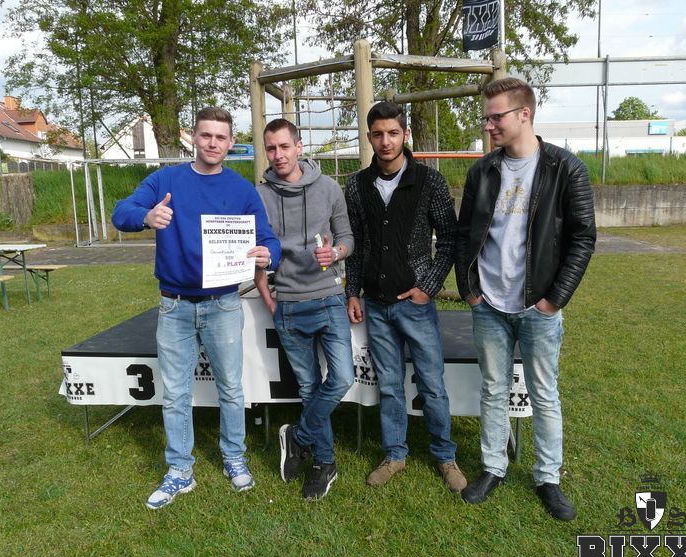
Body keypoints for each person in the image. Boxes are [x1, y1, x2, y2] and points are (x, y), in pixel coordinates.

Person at [112, 106, 281, 509]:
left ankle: (234, 457)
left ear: (230, 142)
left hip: (223, 304)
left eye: (221, 137)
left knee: (231, 388)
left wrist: (266, 254)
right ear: (194, 137)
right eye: (206, 135)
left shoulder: (242, 190)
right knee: (175, 393)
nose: (213, 143)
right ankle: (179, 470)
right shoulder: (165, 181)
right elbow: (121, 212)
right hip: (175, 306)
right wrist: (146, 215)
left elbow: (268, 239)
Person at [455, 78, 596, 520]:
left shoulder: (565, 168)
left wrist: (554, 300)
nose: (488, 125)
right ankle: (493, 468)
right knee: (493, 389)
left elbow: (583, 238)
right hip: (489, 305)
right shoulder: (482, 171)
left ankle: (548, 478)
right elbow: (464, 236)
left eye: (496, 117)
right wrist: (471, 292)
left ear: (524, 114)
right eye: (486, 118)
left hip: (539, 307)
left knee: (544, 394)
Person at [344, 101, 466, 493]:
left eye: (393, 133)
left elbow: (449, 240)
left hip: (415, 305)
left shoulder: (430, 182)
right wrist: (352, 291)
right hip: (376, 305)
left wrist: (427, 287)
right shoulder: (357, 186)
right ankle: (395, 454)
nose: (386, 141)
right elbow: (356, 245)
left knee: (432, 383)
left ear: (405, 135)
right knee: (390, 385)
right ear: (369, 137)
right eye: (378, 134)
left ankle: (445, 456)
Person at [253, 118, 355, 500]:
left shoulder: (329, 188)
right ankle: (324, 463)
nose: (278, 154)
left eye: (285, 146)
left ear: (299, 147)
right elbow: (253, 248)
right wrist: (266, 293)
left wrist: (337, 252)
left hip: (328, 298)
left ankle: (298, 435)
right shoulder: (259, 195)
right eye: (271, 148)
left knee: (342, 378)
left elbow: (347, 237)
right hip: (288, 304)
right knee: (310, 388)